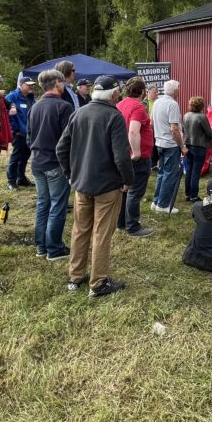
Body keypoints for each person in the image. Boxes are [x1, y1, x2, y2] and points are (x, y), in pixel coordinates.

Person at [57, 75, 134, 298]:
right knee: (101, 233)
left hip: (82, 184)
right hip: (107, 187)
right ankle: (98, 283)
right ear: (113, 94)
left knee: (80, 230)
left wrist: (71, 175)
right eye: (117, 91)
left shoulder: (78, 113)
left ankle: (75, 276)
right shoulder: (114, 116)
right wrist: (128, 180)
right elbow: (122, 157)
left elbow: (61, 149)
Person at [26, 69, 74, 260]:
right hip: (55, 163)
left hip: (37, 162)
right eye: (63, 83)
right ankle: (54, 249)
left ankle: (41, 246)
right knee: (57, 206)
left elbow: (29, 138)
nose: (65, 86)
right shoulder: (63, 107)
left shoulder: (34, 107)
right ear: (58, 84)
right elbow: (68, 140)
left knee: (43, 204)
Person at [115, 77, 155, 237]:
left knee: (124, 190)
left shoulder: (120, 104)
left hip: (123, 154)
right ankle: (133, 227)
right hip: (137, 157)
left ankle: (121, 222)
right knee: (134, 191)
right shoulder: (138, 107)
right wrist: (136, 152)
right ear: (143, 91)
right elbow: (133, 130)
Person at [151, 79, 187, 213]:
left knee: (161, 172)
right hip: (170, 144)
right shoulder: (172, 104)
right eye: (178, 89)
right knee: (169, 174)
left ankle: (156, 201)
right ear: (176, 91)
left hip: (159, 142)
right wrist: (182, 146)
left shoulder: (157, 102)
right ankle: (163, 205)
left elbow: (152, 123)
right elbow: (174, 129)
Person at [182, 95, 212, 202]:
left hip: (187, 145)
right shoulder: (201, 117)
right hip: (199, 147)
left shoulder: (186, 115)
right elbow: (208, 131)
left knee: (189, 170)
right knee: (196, 172)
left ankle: (188, 194)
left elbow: (183, 130)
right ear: (201, 106)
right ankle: (194, 196)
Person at [5, 75, 36, 190]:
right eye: (28, 85)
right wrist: (15, 129)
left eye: (32, 85)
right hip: (17, 133)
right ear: (21, 85)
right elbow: (6, 114)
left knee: (25, 155)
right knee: (16, 157)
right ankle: (11, 181)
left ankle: (21, 178)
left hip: (29, 132)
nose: (30, 87)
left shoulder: (31, 97)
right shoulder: (12, 96)